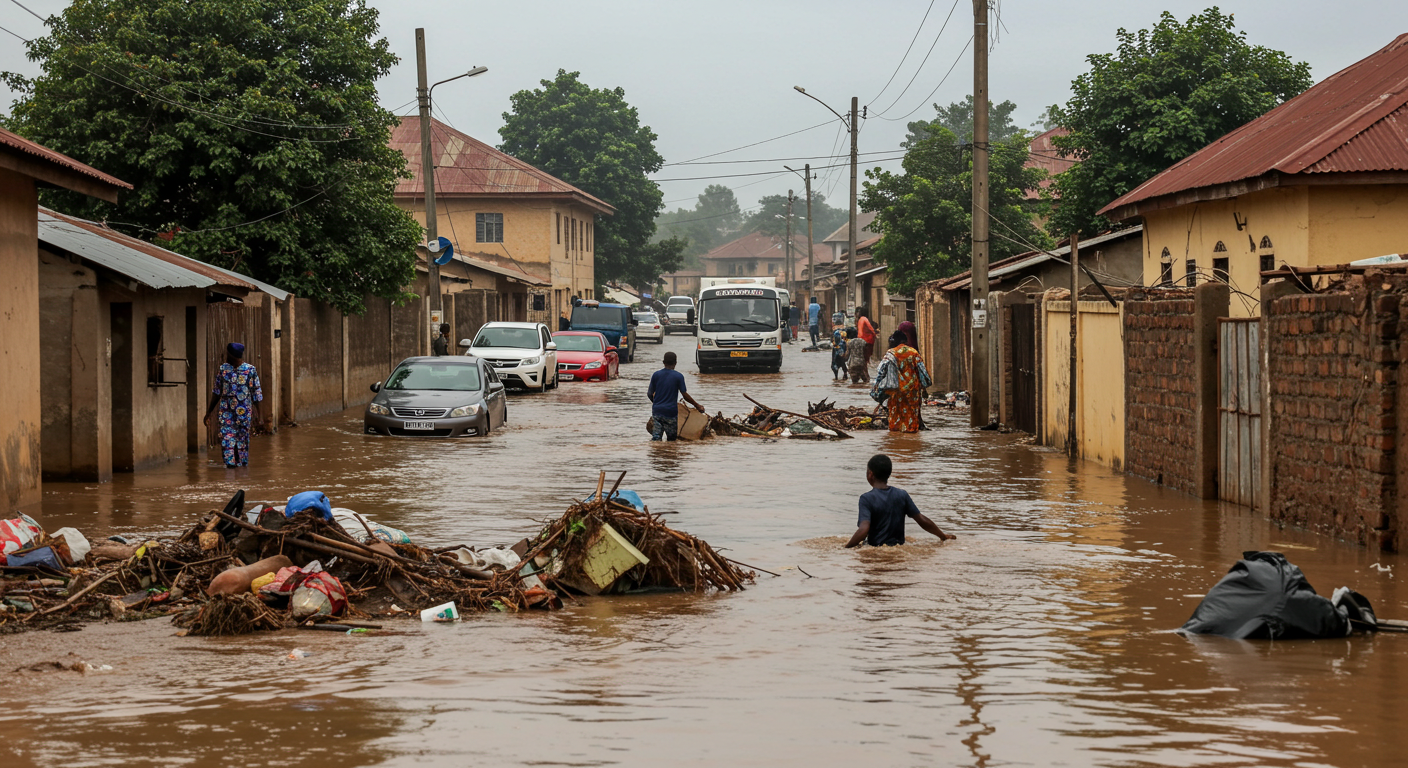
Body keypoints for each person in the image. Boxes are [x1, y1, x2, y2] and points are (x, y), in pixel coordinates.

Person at [846, 454, 956, 548]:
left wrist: (845, 548)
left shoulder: (866, 498)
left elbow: (863, 529)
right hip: (898, 547)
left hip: (875, 549)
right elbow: (922, 520)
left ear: (870, 474)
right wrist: (943, 536)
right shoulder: (902, 494)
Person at [204, 342, 265, 468]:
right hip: (226, 413)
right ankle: (230, 470)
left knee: (242, 444)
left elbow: (256, 394)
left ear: (233, 355)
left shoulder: (250, 370)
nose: (226, 356)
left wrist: (260, 416)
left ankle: (240, 472)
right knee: (227, 441)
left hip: (244, 415)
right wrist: (209, 412)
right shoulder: (223, 370)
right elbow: (216, 392)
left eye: (228, 354)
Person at [874, 331, 932, 433]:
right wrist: (925, 386)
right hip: (913, 391)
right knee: (911, 415)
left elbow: (881, 371)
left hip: (896, 391)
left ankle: (896, 440)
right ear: (905, 341)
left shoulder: (891, 353)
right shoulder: (913, 352)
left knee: (896, 415)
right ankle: (911, 438)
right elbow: (922, 371)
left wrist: (876, 389)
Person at [647, 351, 704, 441]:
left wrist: (657, 404)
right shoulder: (678, 376)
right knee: (672, 441)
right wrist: (697, 406)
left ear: (663, 362)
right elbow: (684, 394)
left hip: (657, 411)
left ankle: (656, 453)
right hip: (671, 413)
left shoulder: (656, 375)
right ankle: (670, 453)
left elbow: (649, 394)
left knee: (656, 439)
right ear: (675, 363)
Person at [855, 307, 877, 372]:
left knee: (864, 358)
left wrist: (859, 340)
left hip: (864, 341)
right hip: (869, 341)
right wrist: (874, 335)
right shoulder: (864, 319)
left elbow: (860, 332)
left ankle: (865, 373)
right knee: (866, 358)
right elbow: (871, 329)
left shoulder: (861, 319)